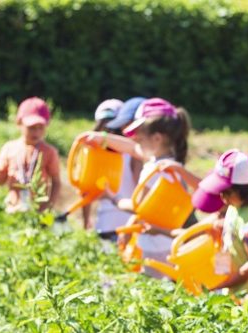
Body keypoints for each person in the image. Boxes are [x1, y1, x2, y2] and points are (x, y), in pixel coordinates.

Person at [78, 97, 198, 273]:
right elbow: (133, 149)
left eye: (139, 136)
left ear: (157, 138)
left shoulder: (157, 171)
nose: (135, 140)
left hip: (157, 246)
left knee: (156, 290)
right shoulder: (164, 160)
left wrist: (113, 197)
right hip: (161, 241)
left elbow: (138, 206)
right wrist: (101, 138)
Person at [191, 149, 248, 292]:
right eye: (220, 192)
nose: (223, 198)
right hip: (233, 283)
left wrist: (220, 286)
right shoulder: (238, 203)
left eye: (228, 192)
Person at [81, 98, 144, 251]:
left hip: (105, 223)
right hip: (130, 225)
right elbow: (140, 191)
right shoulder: (133, 153)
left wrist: (86, 221)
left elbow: (85, 191)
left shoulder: (93, 154)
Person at [0, 97, 61, 213]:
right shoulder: (10, 148)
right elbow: (0, 180)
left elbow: (56, 181)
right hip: (13, 209)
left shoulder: (49, 152)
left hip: (37, 211)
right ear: (19, 123)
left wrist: (48, 207)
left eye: (40, 127)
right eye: (31, 128)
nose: (36, 132)